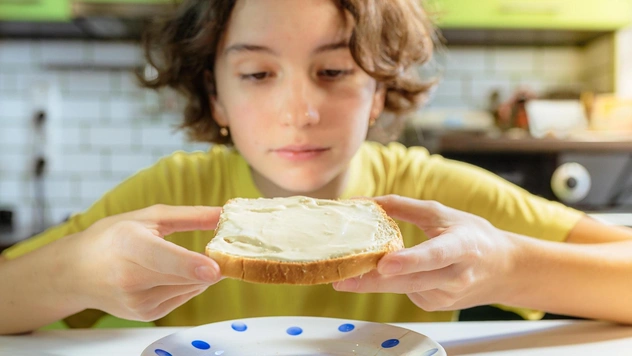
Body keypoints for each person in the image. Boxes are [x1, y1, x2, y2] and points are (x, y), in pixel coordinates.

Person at [1, 0, 631, 335]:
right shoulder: (174, 194)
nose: (299, 111)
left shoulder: (429, 196)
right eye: (256, 74)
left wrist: (510, 267)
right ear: (215, 95)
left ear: (380, 91)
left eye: (333, 72)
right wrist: (74, 271)